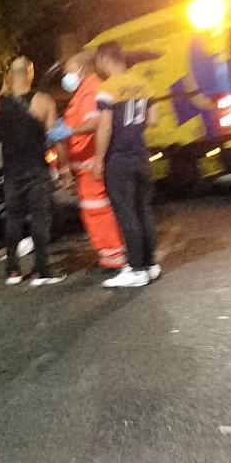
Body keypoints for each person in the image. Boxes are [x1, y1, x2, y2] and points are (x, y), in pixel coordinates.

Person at [0, 56, 64, 286]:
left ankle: (12, 270)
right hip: (36, 168)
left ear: (11, 75)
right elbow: (55, 137)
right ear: (30, 73)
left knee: (13, 219)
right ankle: (41, 270)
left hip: (12, 170)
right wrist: (63, 167)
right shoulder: (44, 101)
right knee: (40, 218)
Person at [92, 41, 161, 288]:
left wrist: (99, 160)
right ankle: (150, 264)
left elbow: (105, 126)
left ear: (104, 59)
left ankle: (135, 268)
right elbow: (154, 120)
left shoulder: (107, 88)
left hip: (118, 158)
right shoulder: (144, 84)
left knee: (126, 213)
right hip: (140, 155)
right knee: (144, 211)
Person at [59, 51, 127, 270]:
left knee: (97, 210)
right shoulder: (85, 91)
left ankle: (113, 255)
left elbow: (94, 123)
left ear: (82, 69)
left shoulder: (90, 92)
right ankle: (110, 254)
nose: (65, 75)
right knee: (96, 210)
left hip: (90, 164)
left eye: (68, 70)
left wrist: (67, 131)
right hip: (86, 164)